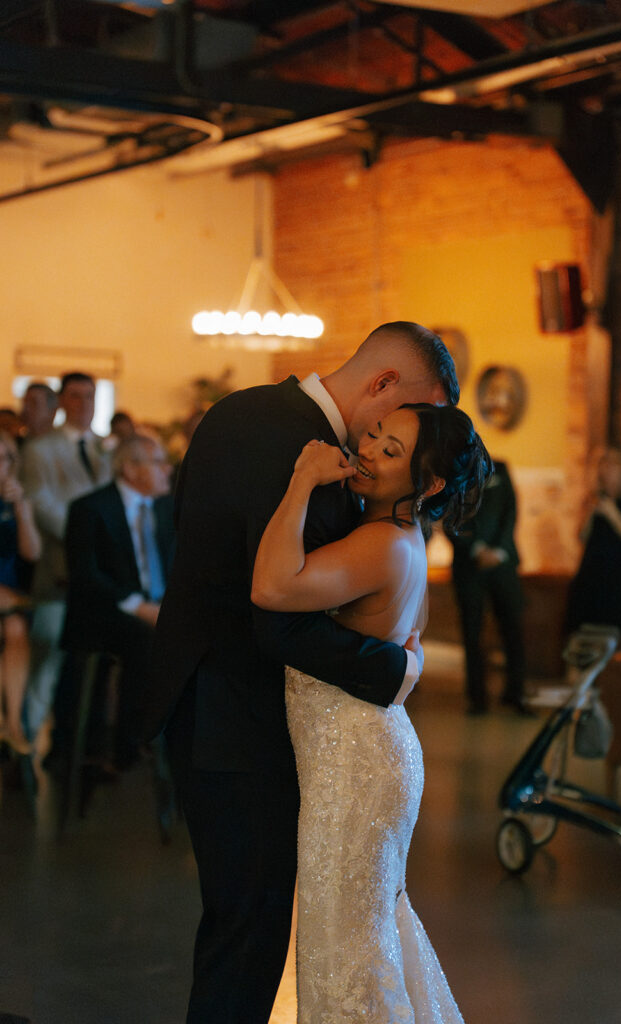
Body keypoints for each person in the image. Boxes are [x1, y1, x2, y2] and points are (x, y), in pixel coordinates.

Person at [141, 322, 460, 1023]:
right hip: (237, 719)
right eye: (401, 417)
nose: (381, 440)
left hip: (221, 704)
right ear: (381, 386)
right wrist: (395, 671)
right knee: (247, 933)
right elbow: (276, 616)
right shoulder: (292, 442)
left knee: (262, 925)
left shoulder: (241, 409)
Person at [252, 404, 491, 1021]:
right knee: (357, 935)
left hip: (356, 765)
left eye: (390, 453)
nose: (368, 450)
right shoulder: (404, 538)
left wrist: (303, 479)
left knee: (344, 948)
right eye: (375, 435)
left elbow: (271, 588)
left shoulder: (382, 543)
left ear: (429, 483)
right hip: (368, 752)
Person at [62, 436, 174, 770]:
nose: (168, 469)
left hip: (158, 606)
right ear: (130, 469)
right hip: (104, 613)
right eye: (159, 462)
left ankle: (184, 735)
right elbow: (86, 575)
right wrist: (137, 606)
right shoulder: (90, 508)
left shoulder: (167, 508)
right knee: (147, 639)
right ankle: (133, 741)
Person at [20, 371, 111, 742]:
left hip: (102, 575)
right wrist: (92, 537)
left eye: (90, 396)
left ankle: (84, 744)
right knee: (48, 663)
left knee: (94, 666)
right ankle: (24, 742)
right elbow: (42, 505)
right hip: (60, 569)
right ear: (61, 402)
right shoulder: (41, 449)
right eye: (76, 396)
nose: (84, 404)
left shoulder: (106, 447)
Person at [449, 460, 528, 715]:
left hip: (503, 561)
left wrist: (498, 549)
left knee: (513, 629)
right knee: (472, 632)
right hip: (468, 564)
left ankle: (515, 694)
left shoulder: (501, 470)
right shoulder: (455, 471)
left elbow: (511, 510)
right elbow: (450, 517)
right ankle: (477, 698)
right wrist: (476, 548)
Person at [565, 444, 621, 642]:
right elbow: (581, 536)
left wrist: (612, 514)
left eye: (613, 464)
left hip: (618, 579)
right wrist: (592, 512)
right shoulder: (593, 499)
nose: (608, 468)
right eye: (604, 463)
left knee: (619, 638)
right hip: (591, 576)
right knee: (582, 636)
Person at [0, 431, 41, 753]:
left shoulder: (17, 500)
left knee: (15, 628)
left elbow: (32, 553)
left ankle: (11, 721)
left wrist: (21, 511)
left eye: (3, 459)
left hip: (13, 595)